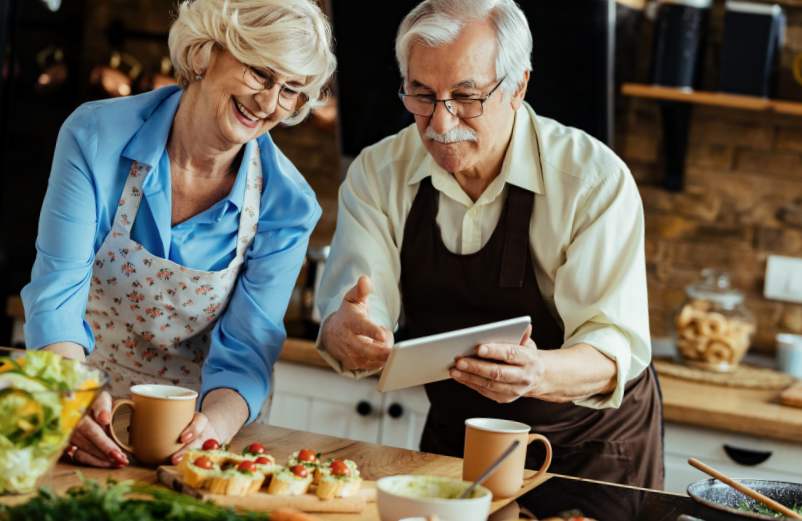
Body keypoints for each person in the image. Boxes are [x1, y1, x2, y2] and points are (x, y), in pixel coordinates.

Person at [315, 0, 663, 488]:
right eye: (422, 95)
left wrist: (536, 371)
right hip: (459, 442)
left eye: (466, 96)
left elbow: (612, 347)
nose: (440, 123)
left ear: (518, 85)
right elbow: (353, 315)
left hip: (590, 451)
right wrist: (348, 334)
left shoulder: (592, 181)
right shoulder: (377, 174)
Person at [21, 0, 336, 468]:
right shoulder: (94, 136)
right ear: (208, 52)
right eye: (260, 74)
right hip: (80, 407)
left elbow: (246, 353)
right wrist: (68, 399)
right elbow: (58, 291)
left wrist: (212, 431)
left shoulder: (286, 205)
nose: (270, 103)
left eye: (290, 89)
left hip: (189, 440)